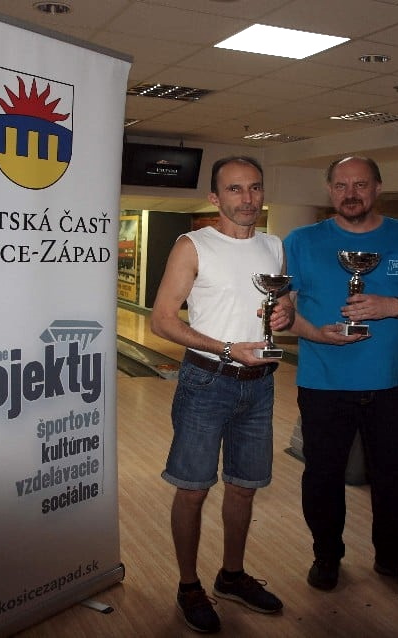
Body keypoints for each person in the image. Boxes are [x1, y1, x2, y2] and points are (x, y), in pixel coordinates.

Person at [284, 156, 398, 593]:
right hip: (323, 383)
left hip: (390, 383)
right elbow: (282, 309)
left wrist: (393, 306)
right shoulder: (302, 240)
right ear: (329, 190)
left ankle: (393, 558)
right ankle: (326, 556)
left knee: (392, 476)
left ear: (377, 187)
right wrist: (316, 333)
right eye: (341, 185)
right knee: (323, 476)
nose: (350, 194)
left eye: (359, 184)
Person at [150, 156, 290, 634]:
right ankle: (189, 586)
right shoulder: (193, 245)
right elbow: (162, 320)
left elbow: (282, 308)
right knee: (192, 490)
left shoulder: (274, 246)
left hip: (260, 385)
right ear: (215, 197)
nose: (247, 198)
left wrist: (285, 316)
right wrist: (228, 348)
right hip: (206, 382)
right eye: (235, 189)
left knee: (244, 487)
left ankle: (231, 576)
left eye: (254, 187)